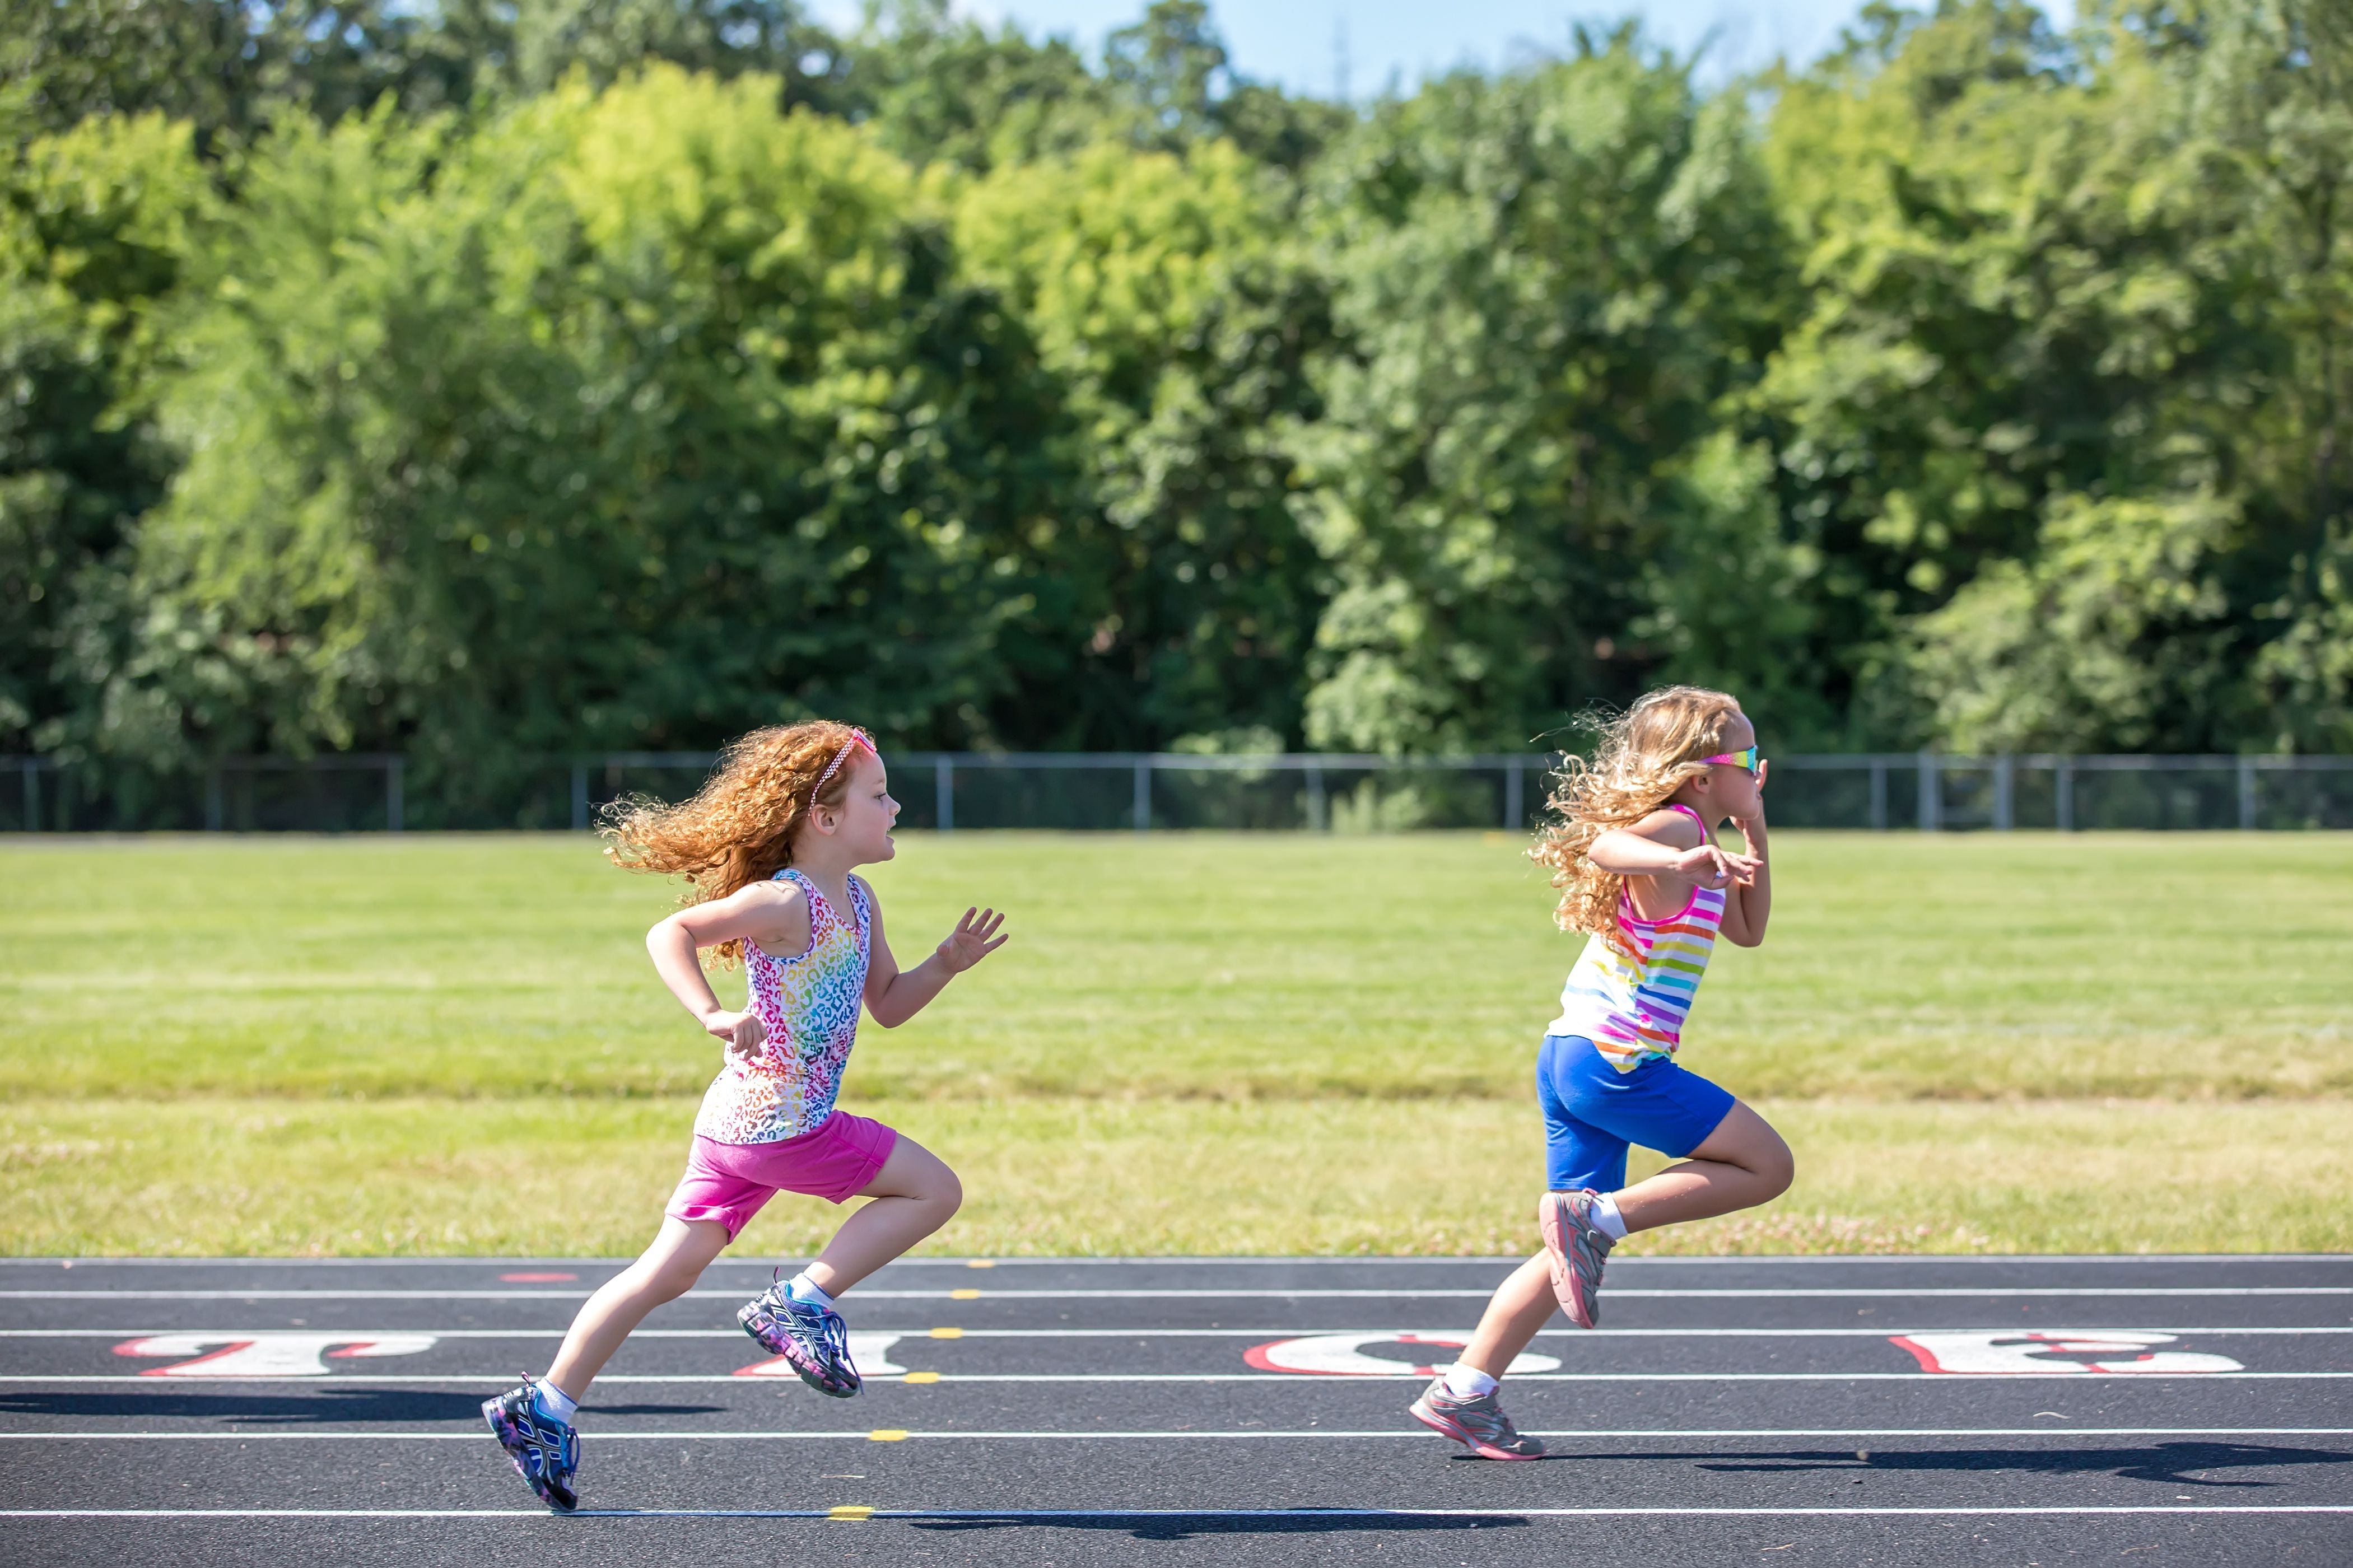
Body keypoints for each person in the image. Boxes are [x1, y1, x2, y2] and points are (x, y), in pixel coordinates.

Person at [484, 721, 1007, 1510]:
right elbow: (672, 932)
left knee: (666, 1272)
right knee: (933, 1191)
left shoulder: (858, 902)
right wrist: (709, 1014)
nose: (896, 806)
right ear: (825, 819)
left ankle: (545, 1407)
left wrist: (945, 964)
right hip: (785, 1125)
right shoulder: (783, 900)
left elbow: (890, 1006)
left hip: (733, 1129)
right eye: (879, 794)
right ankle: (799, 1303)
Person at [1410, 685, 1791, 1460]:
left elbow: (1748, 929)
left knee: (1568, 1247)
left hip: (1574, 1056)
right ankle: (1599, 1220)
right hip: (1617, 1063)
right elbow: (1605, 847)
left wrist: (1751, 825)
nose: (1759, 768)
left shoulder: (1705, 839)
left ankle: (1466, 1389)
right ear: (1698, 775)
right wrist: (1678, 853)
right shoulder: (1678, 828)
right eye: (1747, 759)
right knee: (1766, 1165)